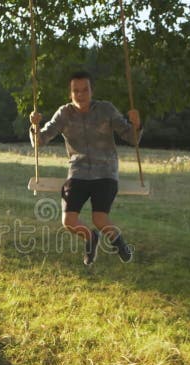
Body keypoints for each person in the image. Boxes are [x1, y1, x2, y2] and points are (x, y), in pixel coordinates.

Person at [29, 70, 141, 266]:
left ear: (92, 90)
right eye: (76, 91)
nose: (81, 94)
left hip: (105, 171)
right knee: (69, 222)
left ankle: (119, 243)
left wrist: (136, 124)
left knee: (100, 219)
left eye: (85, 90)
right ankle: (90, 237)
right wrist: (35, 127)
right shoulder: (64, 113)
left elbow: (131, 137)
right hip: (78, 171)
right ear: (70, 93)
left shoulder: (106, 110)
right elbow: (40, 141)